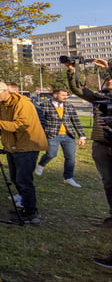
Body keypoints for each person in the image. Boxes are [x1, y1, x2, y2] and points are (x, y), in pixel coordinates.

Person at [0, 81, 48, 224]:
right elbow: (1, 126)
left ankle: (31, 212)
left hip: (27, 145)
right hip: (12, 146)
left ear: (6, 91)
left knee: (24, 179)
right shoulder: (2, 104)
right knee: (15, 178)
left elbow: (20, 125)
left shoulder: (23, 104)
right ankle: (25, 206)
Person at [66, 58, 112, 228]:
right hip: (101, 144)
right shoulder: (98, 97)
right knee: (108, 182)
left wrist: (108, 67)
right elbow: (77, 89)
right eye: (107, 80)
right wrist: (72, 70)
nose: (109, 82)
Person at [34, 88, 87, 187]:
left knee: (70, 157)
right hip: (52, 134)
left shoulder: (69, 106)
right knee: (51, 154)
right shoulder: (44, 105)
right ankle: (41, 165)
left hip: (68, 135)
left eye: (66, 95)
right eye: (63, 95)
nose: (65, 97)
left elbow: (76, 121)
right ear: (55, 95)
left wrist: (82, 136)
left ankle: (68, 177)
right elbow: (40, 121)